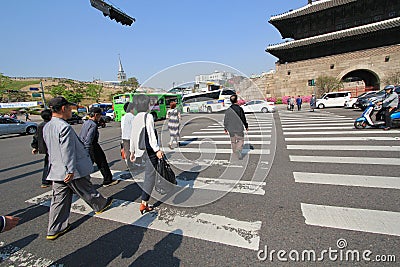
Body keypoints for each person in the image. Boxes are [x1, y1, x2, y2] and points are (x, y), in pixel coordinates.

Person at [44, 96, 113, 240]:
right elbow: (67, 150)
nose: (71, 110)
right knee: (86, 189)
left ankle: (54, 229)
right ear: (63, 108)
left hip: (56, 169)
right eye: (70, 108)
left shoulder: (48, 126)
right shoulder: (64, 127)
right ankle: (100, 204)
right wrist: (70, 170)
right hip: (69, 170)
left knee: (58, 200)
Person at [129, 94, 164, 214]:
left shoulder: (135, 118)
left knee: (149, 175)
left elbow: (132, 135)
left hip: (141, 150)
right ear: (146, 104)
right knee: (150, 176)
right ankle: (144, 203)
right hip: (150, 151)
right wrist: (157, 150)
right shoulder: (148, 116)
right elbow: (151, 135)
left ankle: (145, 201)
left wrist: (132, 151)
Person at [79, 107, 119, 187]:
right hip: (92, 146)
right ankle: (108, 180)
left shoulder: (86, 122)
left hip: (84, 145)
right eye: (99, 115)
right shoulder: (93, 125)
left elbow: (82, 136)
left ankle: (81, 182)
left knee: (87, 165)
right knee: (102, 163)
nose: (100, 117)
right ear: (96, 115)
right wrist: (87, 150)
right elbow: (89, 139)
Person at [31, 109, 52, 188]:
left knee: (47, 164)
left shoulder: (40, 125)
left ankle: (45, 181)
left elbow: (36, 137)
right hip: (52, 148)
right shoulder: (51, 125)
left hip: (45, 148)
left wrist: (35, 147)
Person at [224, 94, 248, 160]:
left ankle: (235, 154)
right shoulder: (239, 109)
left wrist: (225, 128)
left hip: (231, 129)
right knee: (240, 140)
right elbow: (243, 118)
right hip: (239, 128)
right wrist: (246, 126)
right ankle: (238, 151)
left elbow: (226, 119)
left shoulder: (228, 110)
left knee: (233, 141)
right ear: (236, 100)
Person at [121, 101, 136, 170]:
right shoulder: (132, 117)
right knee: (133, 151)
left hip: (124, 137)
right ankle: (133, 164)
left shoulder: (123, 117)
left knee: (127, 152)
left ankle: (129, 165)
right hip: (131, 137)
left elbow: (122, 127)